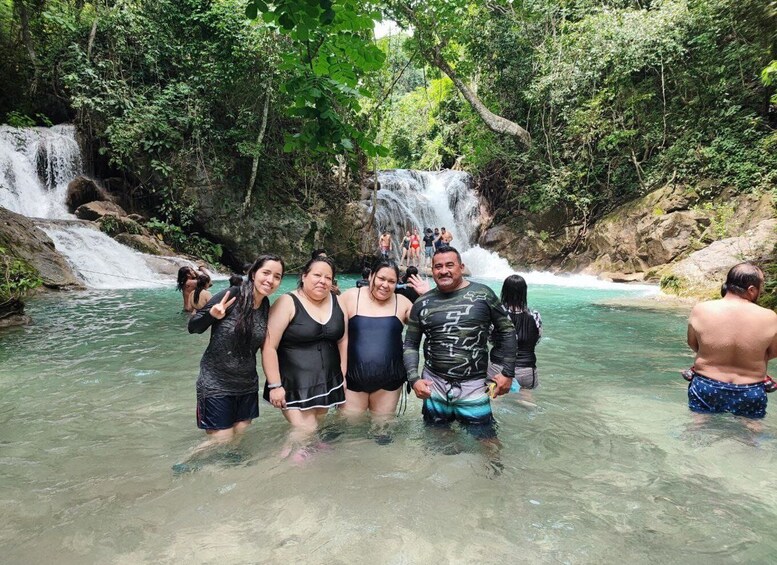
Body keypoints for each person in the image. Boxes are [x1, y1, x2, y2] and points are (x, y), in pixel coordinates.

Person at [403, 247, 516, 438]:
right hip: (434, 385)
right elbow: (410, 344)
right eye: (438, 266)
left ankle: (491, 469)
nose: (444, 270)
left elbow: (507, 331)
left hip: (474, 385)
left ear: (461, 267)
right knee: (437, 438)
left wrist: (508, 373)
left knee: (486, 440)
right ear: (432, 270)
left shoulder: (483, 294)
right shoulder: (422, 303)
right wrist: (414, 379)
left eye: (450, 265)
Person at [187, 255, 285, 447]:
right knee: (221, 439)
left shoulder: (265, 305)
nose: (270, 280)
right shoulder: (232, 294)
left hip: (246, 384)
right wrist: (211, 316)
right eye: (266, 273)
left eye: (277, 276)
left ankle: (228, 471)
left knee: (239, 433)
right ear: (254, 273)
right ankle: (186, 464)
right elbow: (193, 327)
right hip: (216, 381)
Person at [262, 255, 347, 433]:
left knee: (316, 430)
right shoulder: (287, 302)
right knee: (305, 431)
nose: (322, 281)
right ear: (304, 276)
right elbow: (269, 346)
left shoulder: (337, 301)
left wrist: (343, 376)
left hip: (327, 382)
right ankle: (281, 461)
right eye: (317, 275)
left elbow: (343, 340)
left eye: (328, 278)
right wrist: (275, 385)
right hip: (292, 385)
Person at [685, 262, 777, 421]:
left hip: (707, 386)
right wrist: (749, 357)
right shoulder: (770, 317)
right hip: (750, 390)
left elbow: (693, 343)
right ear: (751, 290)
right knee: (750, 436)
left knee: (697, 430)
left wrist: (714, 353)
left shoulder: (701, 309)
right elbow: (774, 352)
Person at [340, 259, 413, 420]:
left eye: (391, 281)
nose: (385, 285)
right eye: (381, 278)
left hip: (389, 382)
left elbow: (428, 324)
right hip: (352, 380)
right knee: (348, 432)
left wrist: (425, 295)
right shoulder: (350, 297)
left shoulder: (402, 302)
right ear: (371, 276)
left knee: (383, 432)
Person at [488, 274, 542, 405]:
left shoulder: (496, 314)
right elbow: (537, 338)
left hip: (499, 369)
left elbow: (490, 338)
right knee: (527, 400)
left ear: (504, 291)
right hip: (527, 371)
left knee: (494, 399)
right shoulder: (535, 315)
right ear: (524, 292)